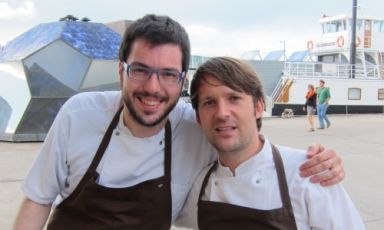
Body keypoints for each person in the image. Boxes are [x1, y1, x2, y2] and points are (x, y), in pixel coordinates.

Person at [14, 15, 344, 230]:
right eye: (140, 70)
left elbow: (244, 145)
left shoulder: (194, 124)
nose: (153, 88)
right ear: (121, 70)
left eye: (168, 74)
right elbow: (38, 199)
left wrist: (313, 161)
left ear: (181, 79)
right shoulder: (79, 115)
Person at [176, 57, 364, 229]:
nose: (222, 113)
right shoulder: (200, 186)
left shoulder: (308, 174)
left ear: (259, 107)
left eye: (234, 98)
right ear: (199, 118)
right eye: (209, 102)